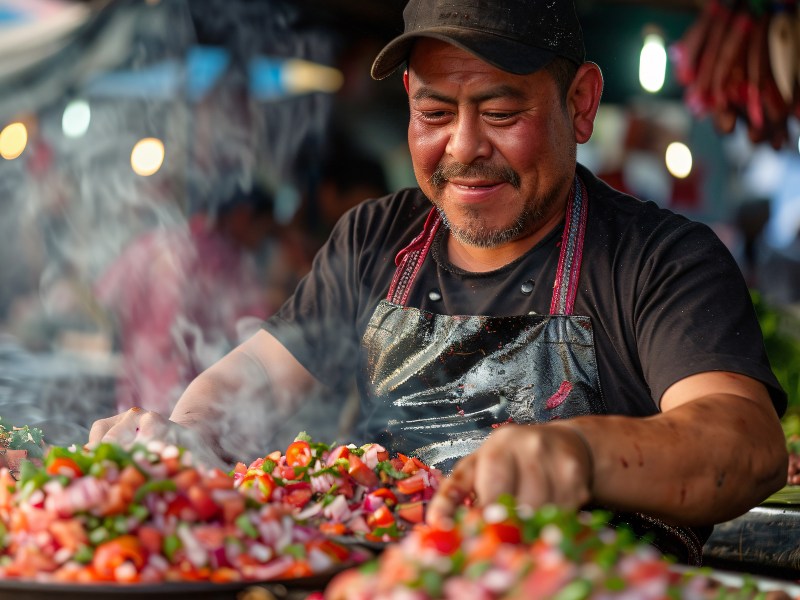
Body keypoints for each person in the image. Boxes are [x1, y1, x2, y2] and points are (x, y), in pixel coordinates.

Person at [90, 0, 788, 565]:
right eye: (434, 113)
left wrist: (576, 451)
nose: (462, 148)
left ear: (581, 102)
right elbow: (255, 380)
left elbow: (746, 443)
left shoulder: (658, 259)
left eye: (500, 112)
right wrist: (185, 436)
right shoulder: (375, 239)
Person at [93, 184, 274, 415]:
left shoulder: (148, 243)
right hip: (189, 401)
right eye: (263, 230)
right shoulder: (230, 260)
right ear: (243, 216)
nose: (261, 241)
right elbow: (258, 330)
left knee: (129, 448)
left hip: (134, 393)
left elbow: (101, 301)